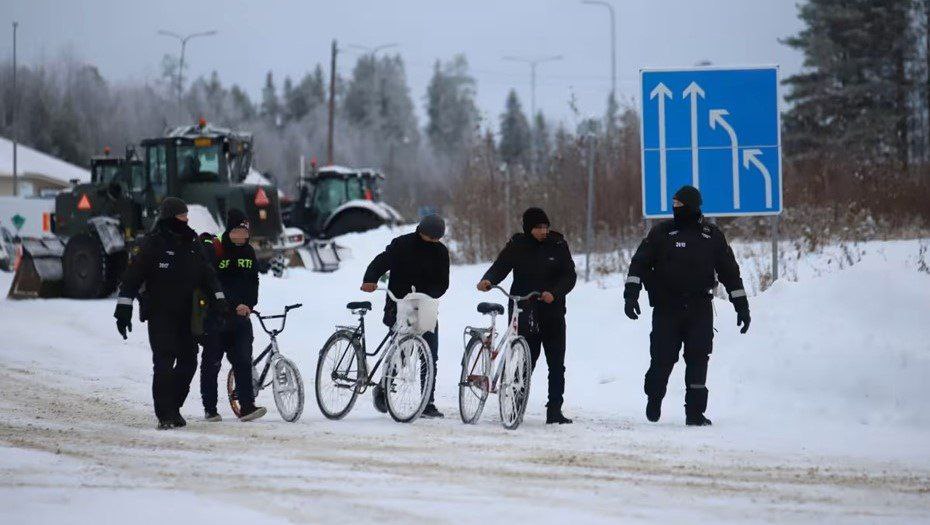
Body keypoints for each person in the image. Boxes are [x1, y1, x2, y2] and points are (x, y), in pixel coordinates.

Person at [623, 185, 750, 426]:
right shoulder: (661, 232)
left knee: (699, 358)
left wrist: (741, 305)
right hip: (666, 307)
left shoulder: (711, 235)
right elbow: (638, 264)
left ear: (692, 205)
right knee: (662, 358)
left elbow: (730, 272)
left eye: (679, 204)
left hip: (699, 307)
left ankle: (695, 413)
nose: (675, 208)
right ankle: (655, 397)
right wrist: (631, 294)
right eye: (673, 204)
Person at [114, 197, 227, 430]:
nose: (186, 219)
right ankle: (164, 414)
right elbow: (132, 277)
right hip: (160, 313)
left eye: (187, 215)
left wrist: (219, 301)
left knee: (189, 361)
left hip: (188, 314)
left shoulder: (192, 241)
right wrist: (124, 308)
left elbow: (207, 274)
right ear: (170, 217)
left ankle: (173, 406)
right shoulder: (152, 243)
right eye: (181, 215)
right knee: (164, 361)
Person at [477, 207, 577, 424]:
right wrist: (488, 280)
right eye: (538, 227)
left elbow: (569, 275)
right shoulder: (518, 245)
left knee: (556, 363)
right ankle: (514, 405)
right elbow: (500, 267)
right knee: (524, 360)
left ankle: (554, 410)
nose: (543, 231)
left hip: (552, 312)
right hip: (523, 310)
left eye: (545, 227)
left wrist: (555, 293)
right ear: (527, 228)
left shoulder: (558, 245)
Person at [361, 214, 450, 418]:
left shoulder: (440, 251)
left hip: (425, 307)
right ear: (421, 231)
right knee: (400, 352)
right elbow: (381, 262)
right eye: (430, 237)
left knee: (429, 354)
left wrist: (426, 295)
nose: (433, 242)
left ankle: (428, 403)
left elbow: (443, 283)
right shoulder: (402, 245)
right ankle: (384, 386)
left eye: (437, 239)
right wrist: (370, 279)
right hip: (399, 304)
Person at [199, 209, 267, 423]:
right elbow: (212, 283)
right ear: (230, 229)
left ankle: (247, 407)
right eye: (237, 230)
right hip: (216, 317)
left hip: (241, 317)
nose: (241, 236)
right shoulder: (214, 249)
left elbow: (253, 281)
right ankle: (210, 409)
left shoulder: (249, 252)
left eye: (245, 232)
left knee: (243, 361)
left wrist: (248, 304)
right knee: (212, 363)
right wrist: (233, 305)